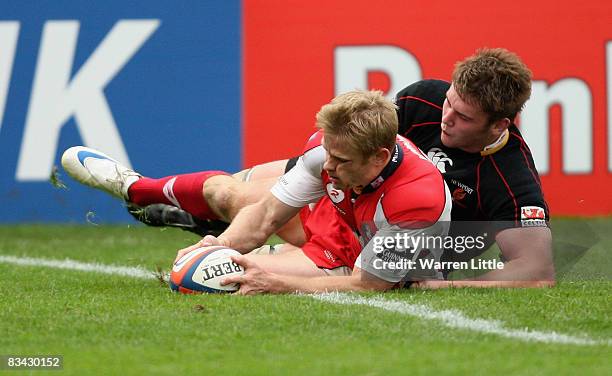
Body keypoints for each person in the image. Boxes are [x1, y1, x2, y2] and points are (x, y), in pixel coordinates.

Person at [63, 48, 555, 288]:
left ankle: (211, 222)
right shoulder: (419, 103)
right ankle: (140, 188)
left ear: (502, 123)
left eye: (463, 116)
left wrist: (444, 284)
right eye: (448, 102)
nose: (446, 117)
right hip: (354, 200)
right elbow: (350, 146)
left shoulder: (511, 179)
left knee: (236, 275)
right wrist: (233, 233)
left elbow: (537, 272)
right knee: (237, 197)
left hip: (393, 242)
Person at [62, 90, 451, 294]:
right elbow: (266, 216)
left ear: (380, 157)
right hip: (339, 218)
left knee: (196, 280)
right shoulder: (328, 153)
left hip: (364, 261)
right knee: (226, 200)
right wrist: (219, 243)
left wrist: (279, 284)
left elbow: (369, 284)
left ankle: (267, 255)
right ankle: (134, 186)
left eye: (341, 160)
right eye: (327, 154)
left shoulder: (416, 197)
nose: (328, 167)